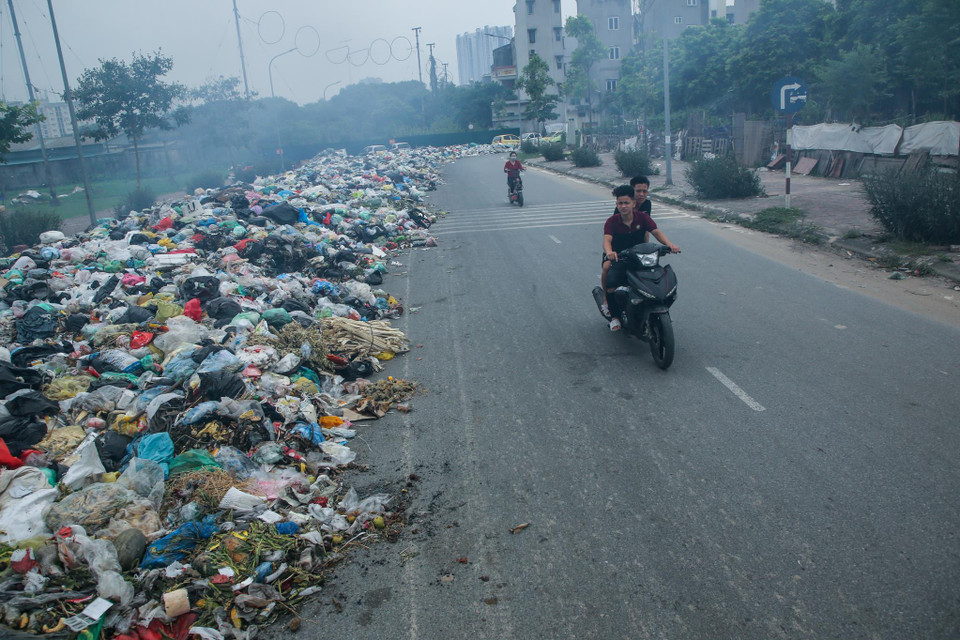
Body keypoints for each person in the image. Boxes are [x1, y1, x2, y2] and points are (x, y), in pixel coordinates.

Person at [601, 184, 680, 331]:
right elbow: (607, 240)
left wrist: (670, 245)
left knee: (658, 278)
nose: (623, 206)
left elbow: (656, 233)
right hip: (619, 257)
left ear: (633, 203)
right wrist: (610, 252)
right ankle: (614, 316)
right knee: (612, 286)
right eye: (620, 203)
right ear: (616, 204)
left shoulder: (642, 218)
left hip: (640, 255)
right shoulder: (612, 221)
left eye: (626, 203)